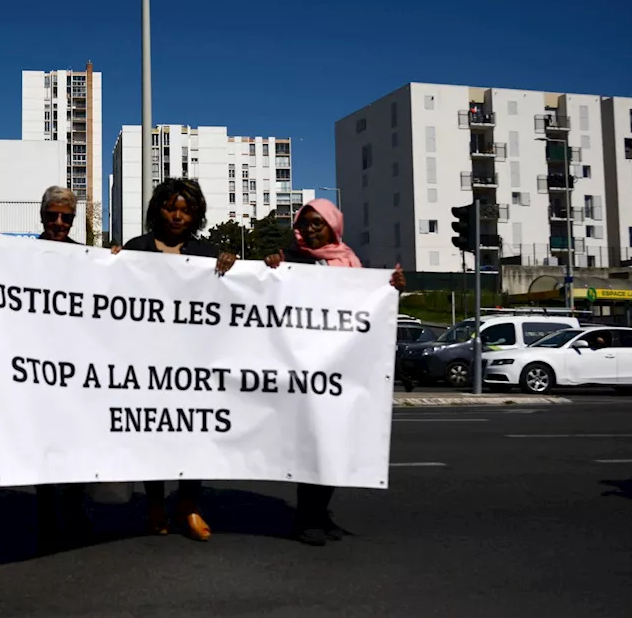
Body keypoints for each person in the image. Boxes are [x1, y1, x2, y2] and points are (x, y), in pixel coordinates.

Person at [264, 198, 406, 547]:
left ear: (333, 225)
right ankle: (305, 519)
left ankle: (320, 515)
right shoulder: (290, 259)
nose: (310, 229)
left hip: (339, 369)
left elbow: (366, 310)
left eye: (318, 223)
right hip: (303, 369)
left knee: (335, 445)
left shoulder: (350, 262)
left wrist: (391, 290)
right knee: (314, 446)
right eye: (306, 222)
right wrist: (269, 267)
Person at [111, 178, 237, 542]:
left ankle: (189, 504)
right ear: (157, 210)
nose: (178, 215)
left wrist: (232, 266)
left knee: (193, 434)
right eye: (170, 207)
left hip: (195, 365)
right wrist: (110, 264)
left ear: (195, 214)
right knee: (154, 433)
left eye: (185, 209)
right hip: (148, 363)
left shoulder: (208, 254)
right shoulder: (137, 250)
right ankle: (155, 504)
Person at [32, 186, 89, 552]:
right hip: (37, 363)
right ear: (42, 216)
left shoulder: (85, 256)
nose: (58, 222)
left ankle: (75, 510)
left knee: (76, 441)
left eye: (66, 217)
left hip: (78, 363)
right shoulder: (22, 252)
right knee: (42, 442)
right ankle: (46, 515)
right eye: (53, 215)